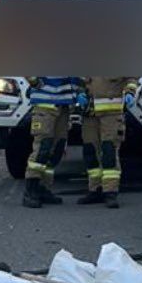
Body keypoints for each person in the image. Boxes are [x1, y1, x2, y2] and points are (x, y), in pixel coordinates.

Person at [22, 76, 86, 208]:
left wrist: (80, 91)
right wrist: (34, 81)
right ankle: (31, 190)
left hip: (64, 105)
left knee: (57, 148)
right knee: (42, 148)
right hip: (45, 104)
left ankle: (43, 187)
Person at [79, 77, 133, 207]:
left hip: (112, 114)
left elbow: (132, 77)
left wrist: (130, 91)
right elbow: (80, 80)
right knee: (90, 151)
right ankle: (95, 189)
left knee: (109, 151)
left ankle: (110, 192)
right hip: (90, 113)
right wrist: (79, 92)